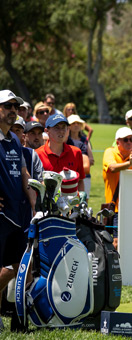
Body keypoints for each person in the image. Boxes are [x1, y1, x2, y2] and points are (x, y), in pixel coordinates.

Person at [0, 90, 37, 324]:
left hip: (18, 213)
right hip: (1, 215)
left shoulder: (14, 138)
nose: (13, 110)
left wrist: (33, 198)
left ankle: (20, 320)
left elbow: (23, 171)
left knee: (21, 268)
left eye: (16, 106)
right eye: (7, 106)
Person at [102, 127, 132, 245]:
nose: (129, 142)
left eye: (131, 139)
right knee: (116, 241)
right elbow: (112, 168)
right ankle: (115, 264)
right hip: (116, 208)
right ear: (118, 142)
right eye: (126, 140)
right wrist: (130, 163)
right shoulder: (110, 152)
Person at [35, 114, 85, 192]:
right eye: (56, 128)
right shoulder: (37, 154)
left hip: (71, 203)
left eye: (63, 127)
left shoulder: (76, 152)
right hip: (46, 203)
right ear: (47, 131)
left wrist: (82, 199)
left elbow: (80, 181)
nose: (61, 131)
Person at [67, 115, 92, 196]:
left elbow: (90, 159)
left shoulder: (84, 140)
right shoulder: (64, 141)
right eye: (73, 123)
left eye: (78, 123)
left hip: (83, 175)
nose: (76, 125)